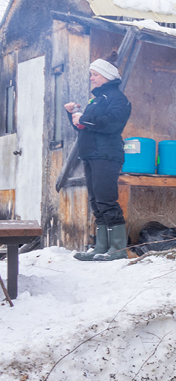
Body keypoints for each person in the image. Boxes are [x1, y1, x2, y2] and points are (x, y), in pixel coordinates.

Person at [65, 51, 132, 261]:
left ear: (105, 76)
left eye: (94, 74)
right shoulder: (96, 100)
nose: (91, 78)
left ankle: (119, 248)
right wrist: (73, 115)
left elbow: (111, 124)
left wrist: (83, 118)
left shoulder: (118, 99)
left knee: (107, 200)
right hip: (91, 154)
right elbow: (84, 128)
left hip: (106, 154)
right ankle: (102, 246)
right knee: (96, 201)